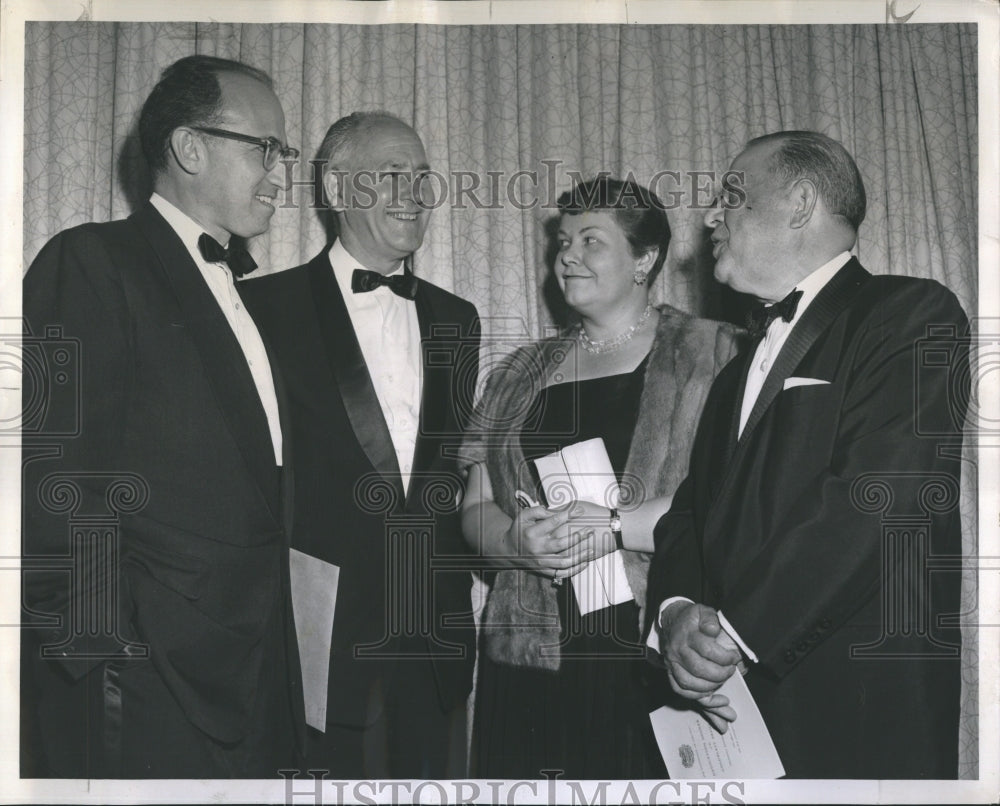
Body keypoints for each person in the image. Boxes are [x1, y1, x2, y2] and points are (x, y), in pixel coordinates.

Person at [646, 131, 969, 778]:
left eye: (731, 196)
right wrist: (676, 615)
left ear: (799, 202)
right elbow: (689, 519)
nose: (710, 216)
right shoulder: (735, 372)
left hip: (857, 714)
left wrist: (732, 635)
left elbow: (877, 498)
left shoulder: (910, 313)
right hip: (736, 725)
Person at [21, 55, 303, 777]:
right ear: (189, 147)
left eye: (283, 151)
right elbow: (52, 476)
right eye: (265, 148)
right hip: (144, 681)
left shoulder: (247, 295)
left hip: (253, 671)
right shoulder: (90, 260)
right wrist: (101, 660)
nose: (280, 172)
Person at [460, 176, 743, 779]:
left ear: (645, 259)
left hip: (651, 649)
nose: (567, 255)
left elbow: (735, 504)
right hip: (531, 656)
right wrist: (512, 542)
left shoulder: (715, 353)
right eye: (564, 240)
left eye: (592, 240)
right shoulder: (517, 371)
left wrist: (614, 527)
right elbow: (474, 504)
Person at [240, 112, 480, 779]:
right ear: (340, 188)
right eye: (393, 174)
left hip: (435, 635)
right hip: (317, 637)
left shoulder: (457, 319)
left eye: (423, 177)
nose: (414, 192)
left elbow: (454, 471)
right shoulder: (262, 308)